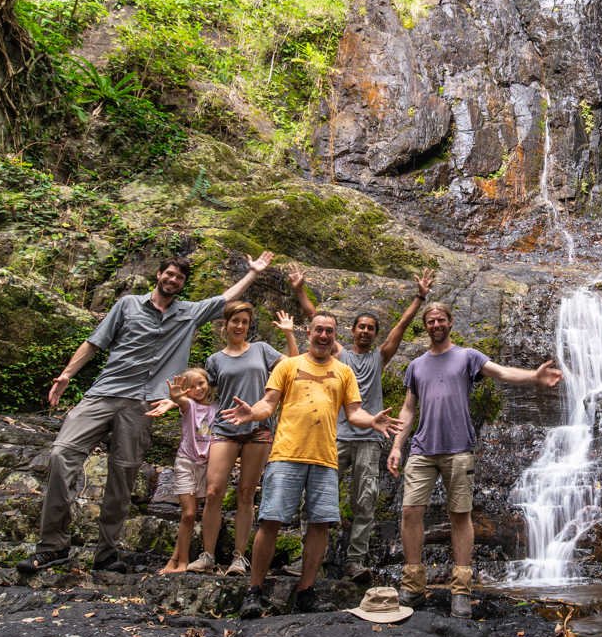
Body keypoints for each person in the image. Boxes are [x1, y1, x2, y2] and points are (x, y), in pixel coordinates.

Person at [17, 252, 273, 574]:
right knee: (61, 454)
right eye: (168, 274)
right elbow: (94, 342)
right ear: (158, 275)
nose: (172, 280)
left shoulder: (188, 314)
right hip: (105, 392)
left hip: (143, 406)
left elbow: (224, 298)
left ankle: (107, 553)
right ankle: (53, 546)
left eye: (179, 278)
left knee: (123, 476)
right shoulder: (127, 305)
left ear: (183, 284)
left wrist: (252, 272)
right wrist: (68, 374)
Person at [388, 301, 562, 618]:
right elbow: (408, 409)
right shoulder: (416, 366)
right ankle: (413, 584)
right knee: (411, 511)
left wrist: (534, 378)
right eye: (431, 320)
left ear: (450, 323)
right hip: (423, 449)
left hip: (458, 448)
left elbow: (501, 372)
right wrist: (398, 445)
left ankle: (461, 589)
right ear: (425, 326)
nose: (436, 324)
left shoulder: (468, 357)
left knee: (460, 514)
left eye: (441, 319)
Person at [221, 313, 402, 616]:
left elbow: (354, 412)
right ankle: (254, 590)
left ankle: (306, 590)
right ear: (309, 332)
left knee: (320, 525)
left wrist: (372, 420)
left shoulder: (344, 372)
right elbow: (269, 403)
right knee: (271, 520)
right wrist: (253, 413)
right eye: (319, 329)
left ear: (334, 336)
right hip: (287, 454)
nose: (323, 335)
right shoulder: (288, 366)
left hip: (325, 458)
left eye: (329, 331)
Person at [288, 263, 435, 583]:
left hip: (368, 439)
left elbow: (400, 328)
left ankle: (355, 560)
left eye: (371, 328)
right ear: (352, 332)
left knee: (365, 500)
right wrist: (300, 290)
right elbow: (317, 320)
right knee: (318, 496)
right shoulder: (341, 355)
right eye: (361, 327)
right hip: (336, 437)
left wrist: (419, 299)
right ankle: (310, 558)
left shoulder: (378, 358)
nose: (366, 331)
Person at [186, 303, 298, 574]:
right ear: (225, 324)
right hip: (225, 428)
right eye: (235, 320)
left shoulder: (261, 350)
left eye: (245, 321)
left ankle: (239, 557)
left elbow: (294, 365)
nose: (239, 326)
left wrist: (289, 334)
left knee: (246, 493)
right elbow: (201, 393)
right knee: (213, 492)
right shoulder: (214, 360)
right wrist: (176, 401)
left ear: (249, 326)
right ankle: (207, 555)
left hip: (259, 429)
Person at [153, 368, 214, 574]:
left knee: (204, 511)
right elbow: (182, 402)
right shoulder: (189, 406)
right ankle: (180, 561)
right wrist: (176, 398)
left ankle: (179, 560)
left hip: (208, 465)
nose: (198, 389)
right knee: (188, 514)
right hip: (186, 462)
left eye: (201, 383)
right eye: (192, 386)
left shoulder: (217, 407)